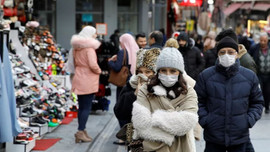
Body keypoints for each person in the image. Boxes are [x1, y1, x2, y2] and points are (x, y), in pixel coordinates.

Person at [195, 36, 264, 152]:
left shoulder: (249, 76)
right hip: (214, 137)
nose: (226, 55)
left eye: (230, 52)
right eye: (222, 52)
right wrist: (206, 120)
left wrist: (248, 120)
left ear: (237, 54)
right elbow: (197, 101)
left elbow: (257, 102)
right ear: (218, 54)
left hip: (239, 137)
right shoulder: (206, 76)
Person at [132, 47, 198, 152]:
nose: (168, 75)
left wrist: (155, 118)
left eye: (173, 71)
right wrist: (174, 121)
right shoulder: (145, 90)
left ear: (179, 72)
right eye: (163, 70)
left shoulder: (189, 92)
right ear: (157, 71)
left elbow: (187, 123)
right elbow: (141, 124)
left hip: (181, 148)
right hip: (151, 148)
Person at [113, 48, 160, 144]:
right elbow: (119, 112)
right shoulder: (131, 85)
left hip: (157, 140)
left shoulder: (162, 88)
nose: (143, 76)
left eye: (147, 72)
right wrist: (135, 95)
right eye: (140, 72)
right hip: (136, 140)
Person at [71, 26, 101, 143]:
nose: (96, 35)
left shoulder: (76, 48)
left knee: (81, 107)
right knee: (86, 107)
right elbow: (93, 65)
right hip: (88, 79)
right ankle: (80, 131)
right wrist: (99, 71)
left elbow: (74, 63)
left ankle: (82, 131)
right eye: (94, 33)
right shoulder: (89, 49)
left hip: (79, 77)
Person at [249, 32, 270, 113]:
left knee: (268, 91)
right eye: (261, 40)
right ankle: (260, 106)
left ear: (267, 40)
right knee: (259, 90)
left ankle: (267, 107)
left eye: (264, 41)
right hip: (259, 74)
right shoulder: (255, 48)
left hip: (268, 74)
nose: (263, 42)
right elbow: (250, 59)